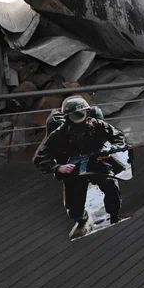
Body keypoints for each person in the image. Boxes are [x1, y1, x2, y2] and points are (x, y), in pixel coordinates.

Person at [33, 96, 129, 239]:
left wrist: (112, 149)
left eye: (81, 114)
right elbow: (41, 157)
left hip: (97, 162)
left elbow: (118, 136)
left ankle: (114, 215)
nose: (78, 118)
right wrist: (58, 167)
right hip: (74, 169)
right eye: (74, 115)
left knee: (110, 185)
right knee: (74, 208)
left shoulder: (97, 125)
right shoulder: (60, 133)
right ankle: (82, 219)